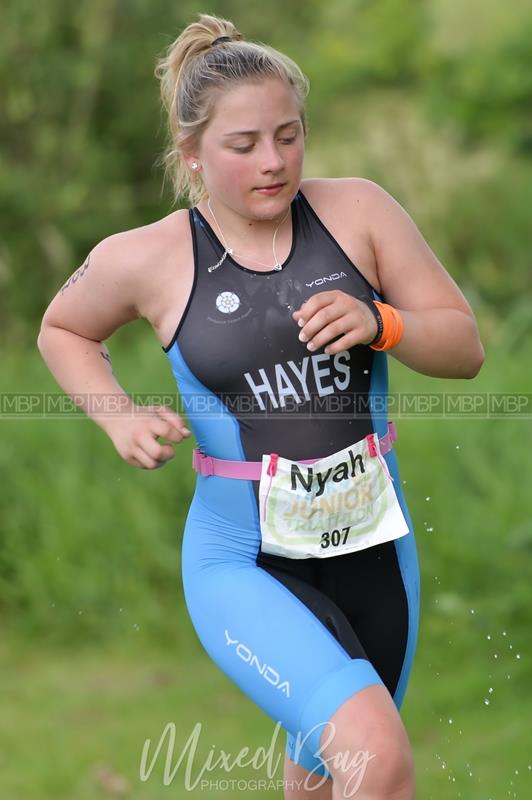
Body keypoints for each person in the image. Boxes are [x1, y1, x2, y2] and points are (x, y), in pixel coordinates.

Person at [37, 13, 485, 800]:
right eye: (243, 146)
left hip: (377, 547)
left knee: (327, 774)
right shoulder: (148, 256)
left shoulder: (360, 214)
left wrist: (385, 323)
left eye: (288, 136)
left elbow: (463, 346)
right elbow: (63, 327)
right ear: (192, 156)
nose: (273, 162)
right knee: (378, 760)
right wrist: (117, 414)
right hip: (243, 562)